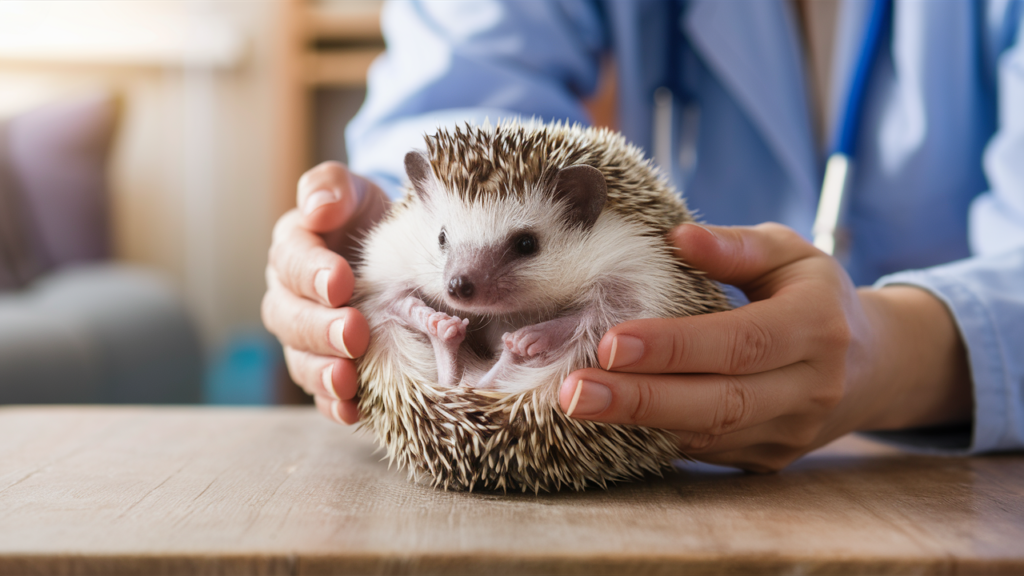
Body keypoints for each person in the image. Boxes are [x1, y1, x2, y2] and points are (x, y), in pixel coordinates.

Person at [262, 0, 1024, 472]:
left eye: (523, 245)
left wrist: (904, 351)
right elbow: (460, 104)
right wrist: (357, 248)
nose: (462, 282)